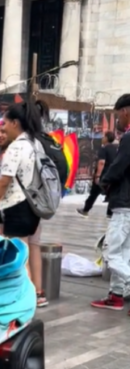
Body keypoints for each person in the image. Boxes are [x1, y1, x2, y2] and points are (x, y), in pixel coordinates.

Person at [0, 100, 46, 302]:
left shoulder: (16, 148)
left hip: (16, 206)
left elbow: (3, 181)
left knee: (19, 257)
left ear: (15, 123)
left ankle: (23, 301)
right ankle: (30, 295)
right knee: (25, 251)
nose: (3, 128)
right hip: (31, 206)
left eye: (6, 123)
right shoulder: (35, 144)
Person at [91, 94, 130, 310]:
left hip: (124, 202)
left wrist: (103, 181)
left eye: (118, 116)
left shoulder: (129, 137)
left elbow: (119, 166)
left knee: (111, 251)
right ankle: (116, 294)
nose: (119, 121)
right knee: (124, 252)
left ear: (125, 111)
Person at [79, 131, 117, 217]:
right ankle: (110, 213)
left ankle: (85, 210)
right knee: (111, 194)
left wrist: (98, 175)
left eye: (104, 137)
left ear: (107, 138)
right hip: (112, 175)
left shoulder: (104, 149)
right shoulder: (115, 149)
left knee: (94, 193)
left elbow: (101, 162)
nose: (102, 138)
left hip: (103, 176)